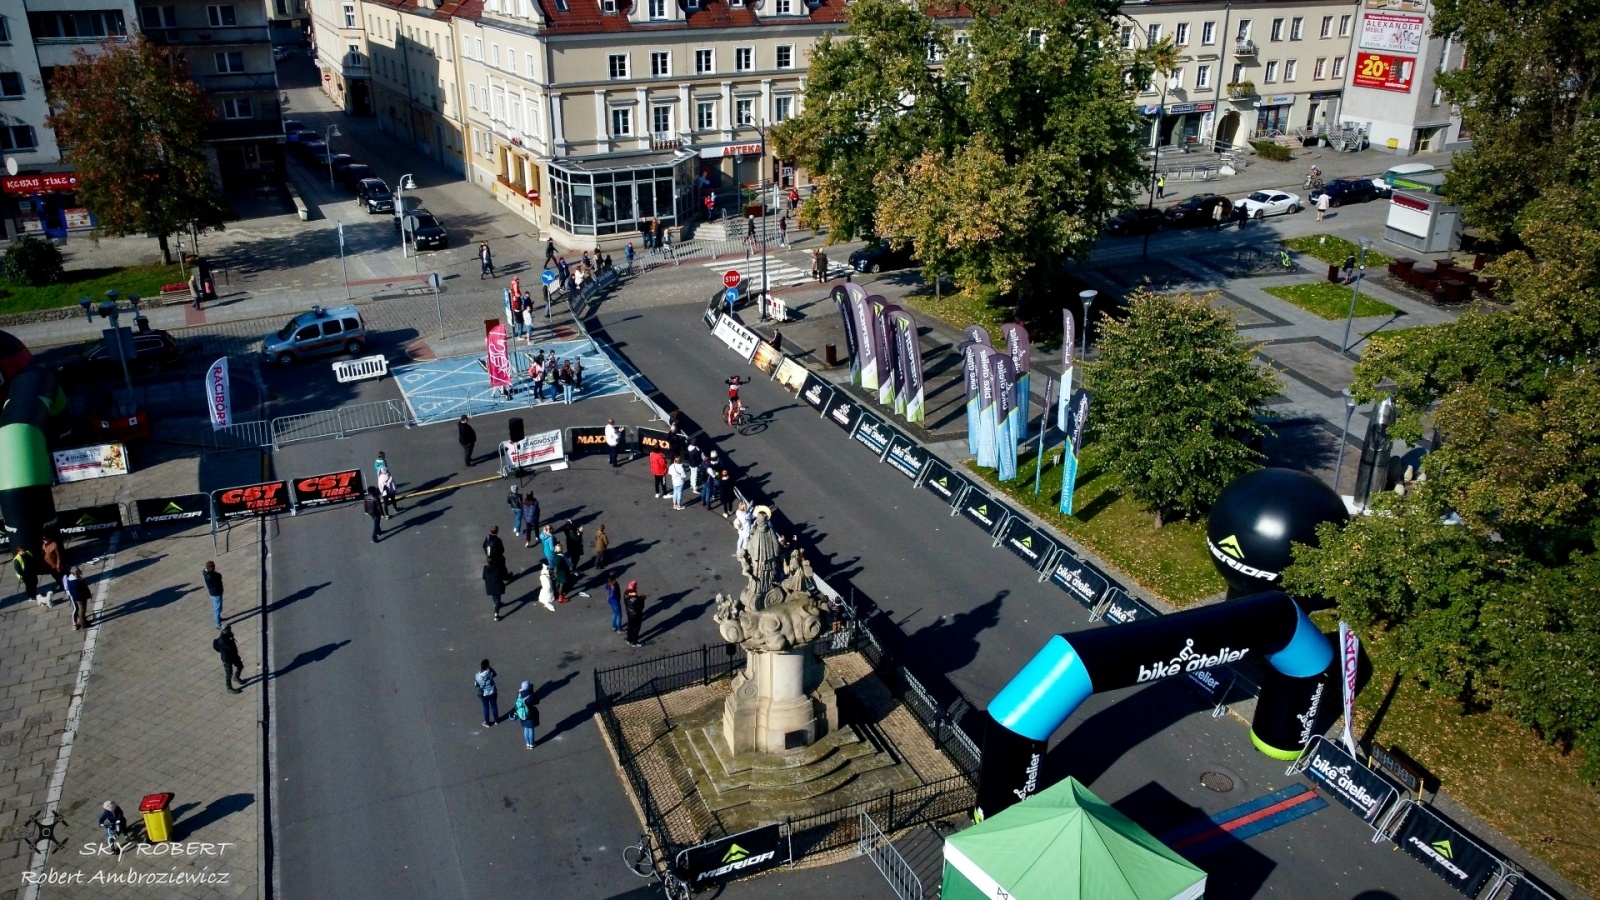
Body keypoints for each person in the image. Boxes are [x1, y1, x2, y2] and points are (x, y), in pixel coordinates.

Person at [214, 625, 245, 693]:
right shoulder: (222, 640)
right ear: (226, 630)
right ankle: (229, 688)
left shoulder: (227, 635)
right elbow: (229, 648)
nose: (230, 630)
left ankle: (236, 677)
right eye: (229, 629)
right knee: (229, 673)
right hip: (227, 659)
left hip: (233, 656)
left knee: (240, 666)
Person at [64, 567, 90, 631]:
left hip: (78, 597)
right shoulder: (75, 582)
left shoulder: (71, 579)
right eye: (79, 571)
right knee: (82, 610)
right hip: (80, 598)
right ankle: (83, 623)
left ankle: (83, 620)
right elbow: (80, 590)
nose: (80, 571)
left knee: (80, 610)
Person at [514, 681, 539, 749]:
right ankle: (532, 744)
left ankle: (528, 743)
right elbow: (537, 701)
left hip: (522, 715)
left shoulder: (519, 694)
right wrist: (533, 692)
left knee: (525, 729)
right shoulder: (531, 695)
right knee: (531, 729)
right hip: (531, 715)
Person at [475, 660, 500, 727]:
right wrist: (490, 668)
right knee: (494, 706)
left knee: (486, 707)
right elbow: (495, 674)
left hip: (484, 694)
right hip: (492, 691)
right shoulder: (490, 672)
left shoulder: (477, 676)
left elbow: (476, 685)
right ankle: (496, 720)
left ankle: (487, 722)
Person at [203, 561, 225, 630]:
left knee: (218, 607)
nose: (215, 567)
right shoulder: (211, 576)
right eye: (213, 566)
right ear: (210, 568)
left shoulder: (205, 572)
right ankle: (218, 625)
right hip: (216, 593)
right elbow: (219, 577)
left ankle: (218, 618)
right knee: (217, 609)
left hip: (213, 592)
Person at [624, 581, 646, 647]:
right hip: (636, 615)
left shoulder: (625, 594)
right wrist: (642, 599)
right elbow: (641, 607)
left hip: (629, 613)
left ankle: (629, 639)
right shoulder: (636, 599)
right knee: (636, 628)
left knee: (630, 627)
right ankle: (634, 642)